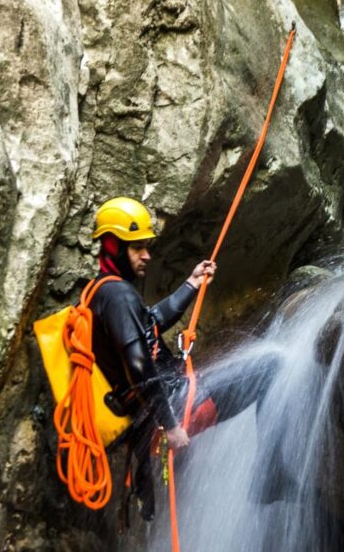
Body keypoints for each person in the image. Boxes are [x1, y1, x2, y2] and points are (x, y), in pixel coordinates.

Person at [87, 196, 275, 524]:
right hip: (174, 405)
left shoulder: (102, 293)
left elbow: (151, 323)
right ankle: (273, 475)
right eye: (136, 247)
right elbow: (138, 366)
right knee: (272, 366)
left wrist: (192, 283)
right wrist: (171, 426)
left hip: (162, 408)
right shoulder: (117, 295)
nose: (146, 255)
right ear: (113, 245)